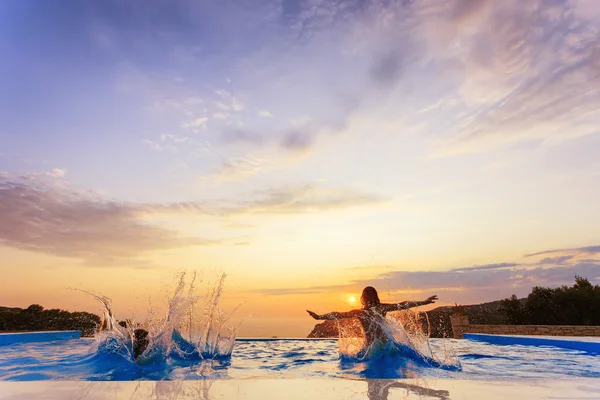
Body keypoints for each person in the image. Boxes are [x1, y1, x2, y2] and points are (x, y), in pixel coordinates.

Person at [306, 286, 437, 351]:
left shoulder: (360, 312)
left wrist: (319, 317)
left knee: (373, 384)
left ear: (362, 298)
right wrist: (424, 302)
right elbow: (403, 304)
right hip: (386, 347)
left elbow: (337, 314)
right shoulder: (381, 308)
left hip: (372, 349)